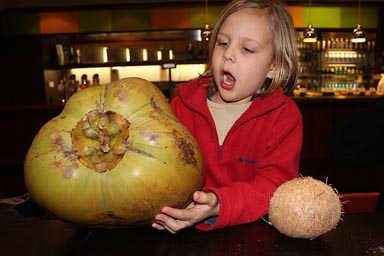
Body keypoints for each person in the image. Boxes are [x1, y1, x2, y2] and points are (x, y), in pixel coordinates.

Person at [152, 0, 302, 233]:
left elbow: (275, 184)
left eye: (247, 49)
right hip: (184, 236)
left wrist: (220, 203)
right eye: (223, 43)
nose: (228, 54)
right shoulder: (180, 106)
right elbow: (158, 167)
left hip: (254, 236)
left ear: (274, 66)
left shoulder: (283, 116)